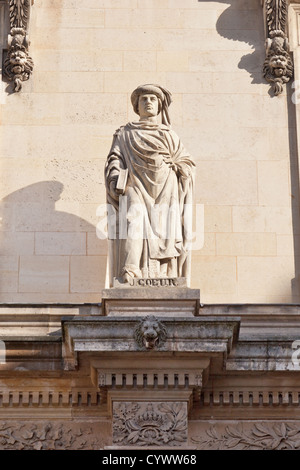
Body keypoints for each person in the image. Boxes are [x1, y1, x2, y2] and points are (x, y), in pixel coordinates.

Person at [105, 84, 195, 285]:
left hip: (166, 187)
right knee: (133, 214)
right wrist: (115, 177)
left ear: (160, 105)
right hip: (134, 184)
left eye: (153, 99)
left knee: (165, 227)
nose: (148, 102)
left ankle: (164, 274)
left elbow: (186, 162)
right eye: (143, 99)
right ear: (137, 106)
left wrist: (180, 168)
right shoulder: (125, 133)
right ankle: (130, 270)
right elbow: (115, 159)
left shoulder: (169, 134)